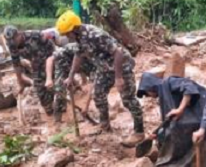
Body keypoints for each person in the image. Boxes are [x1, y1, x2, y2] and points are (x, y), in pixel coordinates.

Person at [56, 11, 144, 145]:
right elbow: (78, 54)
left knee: (128, 99)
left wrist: (119, 78)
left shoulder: (94, 35)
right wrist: (70, 76)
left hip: (122, 66)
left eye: (67, 34)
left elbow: (118, 52)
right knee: (98, 95)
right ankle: (105, 125)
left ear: (74, 29)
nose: (67, 37)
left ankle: (139, 132)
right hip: (104, 68)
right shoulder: (79, 37)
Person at [137, 72, 206, 167]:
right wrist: (157, 134)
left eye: (146, 93)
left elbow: (189, 87)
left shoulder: (169, 82)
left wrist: (180, 109)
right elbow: (170, 121)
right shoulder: (164, 95)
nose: (148, 96)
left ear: (150, 87)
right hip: (203, 120)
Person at [5, 26, 57, 116]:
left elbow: (52, 47)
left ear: (19, 34)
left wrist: (51, 63)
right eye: (11, 42)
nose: (13, 43)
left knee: (53, 84)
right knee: (40, 89)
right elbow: (16, 64)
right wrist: (20, 81)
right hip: (36, 66)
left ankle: (61, 108)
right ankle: (50, 112)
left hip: (49, 60)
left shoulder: (35, 35)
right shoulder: (12, 45)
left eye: (14, 40)